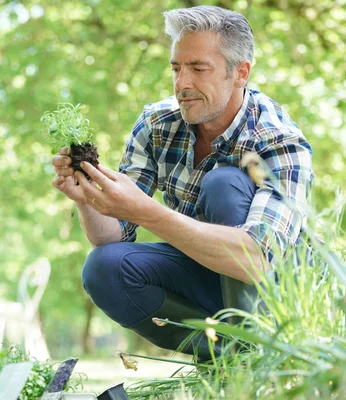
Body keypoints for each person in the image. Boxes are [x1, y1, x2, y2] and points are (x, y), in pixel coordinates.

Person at [52, 5, 314, 360]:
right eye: (176, 68)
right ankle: (230, 358)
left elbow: (257, 258)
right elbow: (113, 234)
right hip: (205, 270)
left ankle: (265, 354)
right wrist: (86, 198)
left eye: (198, 69)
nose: (182, 83)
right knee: (103, 266)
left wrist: (148, 213)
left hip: (279, 289)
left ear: (240, 73)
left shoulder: (278, 139)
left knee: (224, 184)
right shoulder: (157, 124)